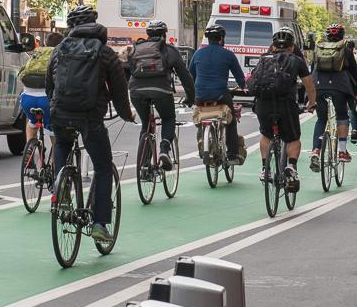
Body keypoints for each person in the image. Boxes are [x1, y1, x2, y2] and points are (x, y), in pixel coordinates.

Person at [46, 5, 134, 244]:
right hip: (90, 117)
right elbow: (119, 90)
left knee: (62, 144)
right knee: (103, 167)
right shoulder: (104, 53)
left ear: (72, 27)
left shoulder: (59, 49)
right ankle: (99, 223)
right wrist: (127, 115)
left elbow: (49, 85)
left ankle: (61, 191)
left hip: (60, 113)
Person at [252, 27, 316, 190]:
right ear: (292, 46)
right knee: (293, 139)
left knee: (266, 135)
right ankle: (291, 167)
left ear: (273, 46)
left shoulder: (263, 59)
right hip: (285, 105)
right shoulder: (297, 61)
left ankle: (265, 169)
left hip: (263, 104)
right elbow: (309, 86)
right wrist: (311, 103)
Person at [128, 21, 195, 170]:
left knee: (146, 124)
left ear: (148, 34)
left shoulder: (136, 48)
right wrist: (191, 97)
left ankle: (144, 165)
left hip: (136, 92)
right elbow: (185, 76)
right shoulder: (169, 50)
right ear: (164, 34)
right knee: (168, 118)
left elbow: (127, 70)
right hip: (161, 91)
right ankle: (164, 149)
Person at [188, 24, 246, 165]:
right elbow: (240, 77)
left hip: (200, 95)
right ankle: (232, 154)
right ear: (221, 39)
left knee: (202, 116)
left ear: (208, 39)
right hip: (220, 94)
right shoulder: (228, 54)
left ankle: (202, 139)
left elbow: (191, 74)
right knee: (230, 121)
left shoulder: (198, 53)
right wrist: (243, 86)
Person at [310, 23, 357, 170]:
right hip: (339, 87)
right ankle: (342, 151)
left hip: (318, 85)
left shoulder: (318, 48)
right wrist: (354, 93)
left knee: (321, 118)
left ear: (327, 36)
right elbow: (355, 74)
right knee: (342, 116)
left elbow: (313, 69)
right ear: (342, 36)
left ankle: (316, 151)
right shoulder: (346, 50)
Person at [18, 32, 64, 144]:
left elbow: (22, 72)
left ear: (45, 43)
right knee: (55, 136)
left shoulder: (36, 54)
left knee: (32, 124)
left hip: (27, 99)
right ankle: (55, 160)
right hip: (47, 101)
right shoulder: (61, 54)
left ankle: (29, 150)